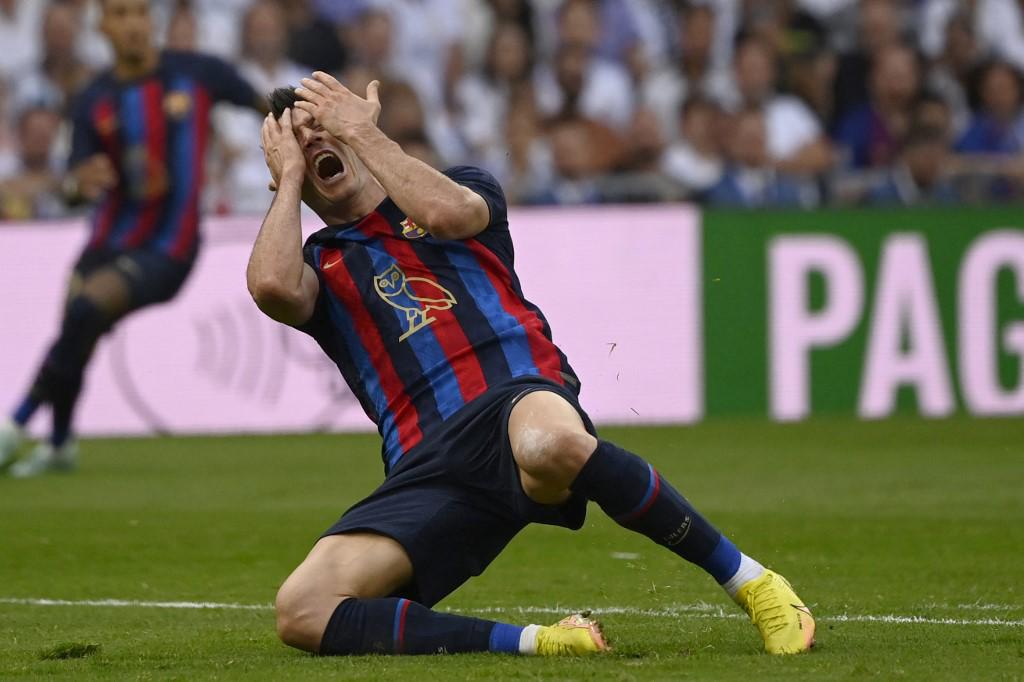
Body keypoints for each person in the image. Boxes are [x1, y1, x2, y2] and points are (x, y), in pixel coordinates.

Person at [245, 71, 817, 657]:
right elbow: (271, 288)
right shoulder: (320, 263)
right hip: (427, 463)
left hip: (516, 396)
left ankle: (753, 582)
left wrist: (364, 136)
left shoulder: (460, 186)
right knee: (304, 610)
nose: (315, 141)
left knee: (548, 445)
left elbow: (448, 215)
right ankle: (542, 642)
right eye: (298, 138)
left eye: (324, 125)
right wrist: (286, 177)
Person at [0, 0, 264, 477]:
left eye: (140, 12)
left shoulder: (197, 72)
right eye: (120, 13)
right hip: (107, 239)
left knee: (84, 311)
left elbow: (263, 102)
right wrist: (83, 183)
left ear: (152, 21)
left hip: (170, 245)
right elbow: (77, 183)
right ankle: (59, 446)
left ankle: (14, 427)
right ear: (102, 25)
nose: (133, 24)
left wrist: (302, 113)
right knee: (74, 334)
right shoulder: (93, 98)